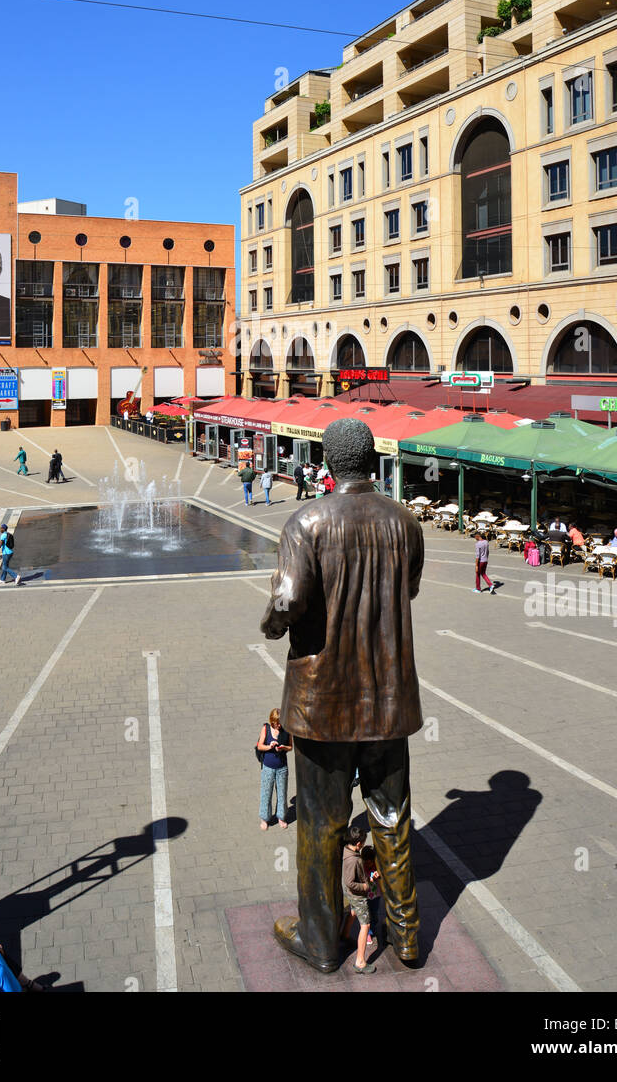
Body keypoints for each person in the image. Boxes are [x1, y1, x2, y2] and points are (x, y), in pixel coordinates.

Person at [261, 417, 424, 974]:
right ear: (372, 460)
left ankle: (320, 938)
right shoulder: (405, 522)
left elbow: (287, 602)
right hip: (387, 700)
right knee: (393, 815)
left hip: (323, 703)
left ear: (329, 463)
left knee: (322, 823)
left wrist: (270, 625)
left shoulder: (306, 522)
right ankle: (406, 937)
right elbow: (409, 590)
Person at [341, 825, 376, 974]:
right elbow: (350, 882)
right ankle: (360, 961)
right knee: (365, 925)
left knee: (353, 912)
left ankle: (345, 935)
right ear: (358, 844)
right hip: (357, 895)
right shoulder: (354, 860)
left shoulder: (346, 851)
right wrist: (364, 886)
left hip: (350, 894)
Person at [256, 708, 291, 830]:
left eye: (280, 723)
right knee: (266, 793)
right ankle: (265, 819)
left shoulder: (286, 730)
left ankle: (281, 817)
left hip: (282, 767)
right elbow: (260, 746)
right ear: (272, 721)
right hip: (268, 766)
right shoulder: (266, 728)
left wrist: (283, 748)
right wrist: (269, 746)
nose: (279, 725)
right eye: (277, 723)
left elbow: (290, 747)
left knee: (282, 793)